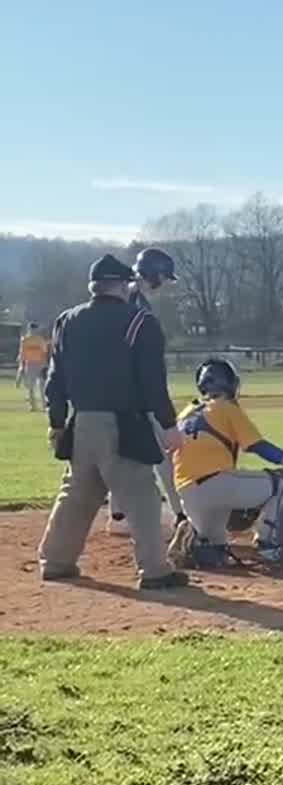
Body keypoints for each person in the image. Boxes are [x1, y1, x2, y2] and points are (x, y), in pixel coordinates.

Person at [38, 254, 188, 590]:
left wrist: (57, 422)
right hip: (122, 425)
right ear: (122, 285)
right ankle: (155, 570)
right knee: (143, 498)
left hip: (82, 424)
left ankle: (55, 561)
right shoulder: (140, 322)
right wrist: (169, 426)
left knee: (77, 494)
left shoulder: (67, 320)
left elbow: (55, 380)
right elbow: (152, 383)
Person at [168, 358, 283, 570]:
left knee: (213, 551)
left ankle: (194, 537)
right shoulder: (226, 407)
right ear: (230, 384)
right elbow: (257, 445)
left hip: (188, 495)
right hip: (217, 485)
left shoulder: (186, 413)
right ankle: (268, 547)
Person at [107, 246, 183, 537]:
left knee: (119, 455)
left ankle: (118, 516)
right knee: (163, 453)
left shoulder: (125, 294)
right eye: (163, 278)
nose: (164, 285)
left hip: (117, 392)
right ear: (154, 275)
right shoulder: (136, 303)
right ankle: (181, 516)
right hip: (138, 393)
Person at [16, 322, 49, 410]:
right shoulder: (25, 340)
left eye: (35, 329)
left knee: (42, 385)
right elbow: (22, 353)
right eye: (32, 329)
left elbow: (44, 353)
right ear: (29, 329)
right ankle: (33, 405)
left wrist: (45, 365)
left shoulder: (40, 340)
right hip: (30, 364)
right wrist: (21, 366)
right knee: (31, 386)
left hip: (40, 364)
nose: (33, 331)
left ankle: (44, 404)